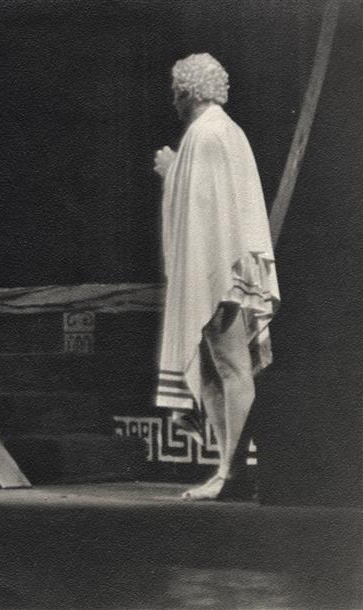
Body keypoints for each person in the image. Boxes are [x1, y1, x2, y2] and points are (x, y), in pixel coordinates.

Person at [153, 53, 280, 501]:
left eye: (176, 93)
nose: (173, 102)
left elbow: (208, 211)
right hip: (216, 268)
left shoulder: (207, 134)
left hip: (218, 270)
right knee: (210, 372)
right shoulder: (220, 131)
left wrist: (171, 173)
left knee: (231, 368)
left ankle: (233, 472)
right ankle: (228, 469)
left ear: (188, 91)